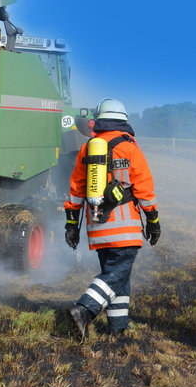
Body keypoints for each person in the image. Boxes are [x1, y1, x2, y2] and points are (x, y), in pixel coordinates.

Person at [64, 98, 160, 339]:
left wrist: (72, 226)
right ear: (124, 121)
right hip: (124, 228)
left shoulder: (88, 148)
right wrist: (153, 221)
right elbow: (144, 189)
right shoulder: (129, 148)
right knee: (115, 274)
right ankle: (85, 310)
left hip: (97, 226)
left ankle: (118, 327)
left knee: (118, 276)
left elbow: (76, 189)